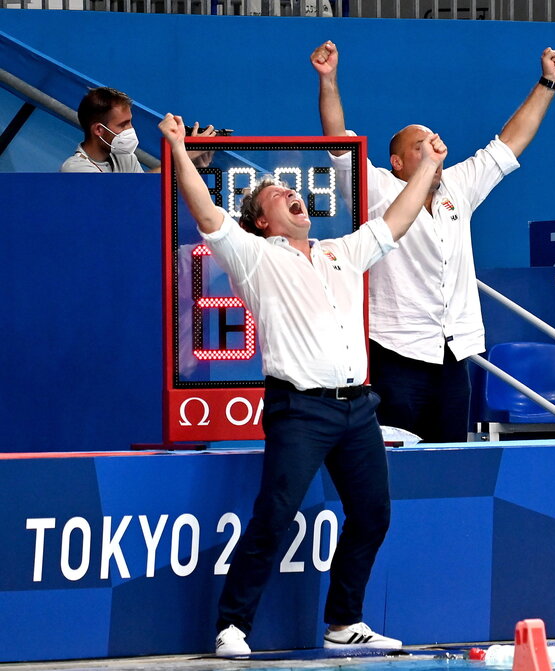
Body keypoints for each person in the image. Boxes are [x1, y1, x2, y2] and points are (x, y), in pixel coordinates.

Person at [161, 110, 446, 655]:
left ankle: (343, 622)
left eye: (290, 187)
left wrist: (429, 164)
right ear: (262, 222)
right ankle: (233, 627)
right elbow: (204, 210)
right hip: (300, 410)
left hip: (358, 408)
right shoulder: (254, 258)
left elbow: (398, 220)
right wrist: (177, 148)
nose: (289, 192)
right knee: (274, 514)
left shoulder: (342, 252)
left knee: (373, 513)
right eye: (274, 192)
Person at [314, 41, 555, 443]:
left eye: (434, 139)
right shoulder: (378, 188)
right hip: (396, 353)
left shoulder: (458, 186)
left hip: (453, 354)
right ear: (396, 162)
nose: (434, 146)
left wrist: (548, 83)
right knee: (397, 466)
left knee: (451, 465)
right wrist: (328, 80)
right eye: (420, 145)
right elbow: (337, 145)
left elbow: (509, 143)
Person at [61, 86, 216, 173]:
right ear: (99, 130)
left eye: (130, 122)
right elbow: (123, 195)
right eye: (123, 124)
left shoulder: (124, 157)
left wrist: (192, 166)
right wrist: (183, 155)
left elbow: (147, 190)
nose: (130, 129)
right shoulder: (75, 168)